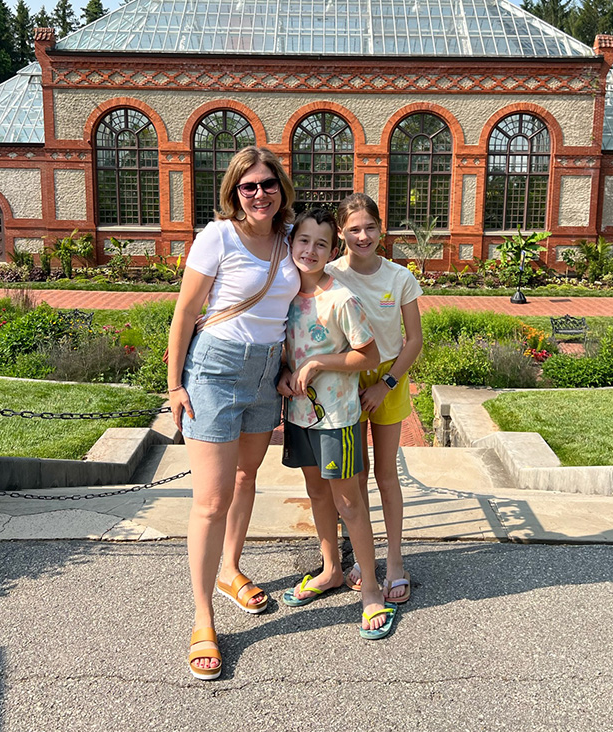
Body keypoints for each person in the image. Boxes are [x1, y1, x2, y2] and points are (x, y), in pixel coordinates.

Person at [167, 146, 300, 680]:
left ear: (280, 189)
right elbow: (185, 310)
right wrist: (174, 384)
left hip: (267, 373)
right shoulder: (217, 237)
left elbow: (300, 305)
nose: (260, 194)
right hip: (215, 371)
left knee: (247, 479)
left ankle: (230, 569)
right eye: (249, 187)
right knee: (211, 500)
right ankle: (202, 617)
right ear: (233, 192)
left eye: (268, 184)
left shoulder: (290, 241)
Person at [278, 206, 395, 639]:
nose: (310, 250)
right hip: (300, 415)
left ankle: (371, 592)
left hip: (338, 419)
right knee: (316, 493)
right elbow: (285, 350)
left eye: (321, 243)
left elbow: (370, 356)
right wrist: (285, 373)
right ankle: (330, 569)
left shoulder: (341, 297)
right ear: (292, 243)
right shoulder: (286, 295)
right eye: (303, 240)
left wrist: (319, 364)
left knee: (349, 503)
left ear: (332, 250)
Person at [327, 193, 423, 604]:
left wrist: (385, 383)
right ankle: (365, 561)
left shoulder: (399, 277)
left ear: (381, 229)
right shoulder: (329, 273)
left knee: (386, 475)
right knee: (355, 476)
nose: (362, 236)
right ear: (341, 233)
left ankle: (396, 561)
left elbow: (414, 340)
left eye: (369, 227)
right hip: (344, 382)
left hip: (387, 381)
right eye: (353, 230)